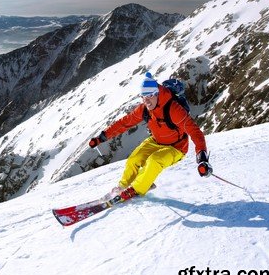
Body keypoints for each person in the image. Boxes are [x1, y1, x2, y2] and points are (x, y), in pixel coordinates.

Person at [89, 72, 212, 201]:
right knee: (134, 160)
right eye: (143, 96)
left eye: (150, 96)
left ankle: (136, 190)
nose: (146, 100)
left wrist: (202, 157)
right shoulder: (145, 109)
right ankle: (122, 187)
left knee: (154, 160)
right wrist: (101, 137)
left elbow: (195, 132)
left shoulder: (173, 109)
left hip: (176, 147)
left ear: (157, 93)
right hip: (156, 141)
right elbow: (125, 122)